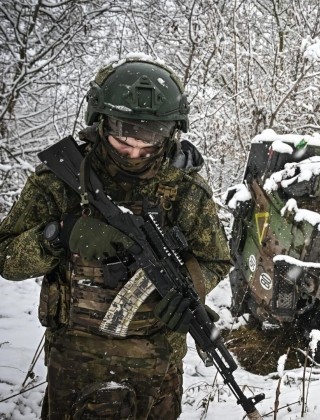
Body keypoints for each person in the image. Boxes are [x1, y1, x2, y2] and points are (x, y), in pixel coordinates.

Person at [0, 57, 232, 419]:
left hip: (157, 366)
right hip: (76, 362)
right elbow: (6, 257)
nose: (136, 153)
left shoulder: (185, 191)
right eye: (123, 141)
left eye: (150, 143)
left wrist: (190, 285)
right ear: (100, 121)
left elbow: (217, 259)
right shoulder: (59, 181)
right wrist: (59, 234)